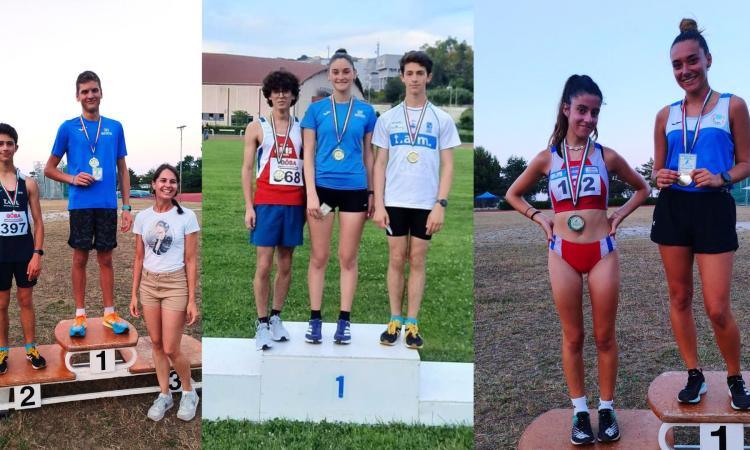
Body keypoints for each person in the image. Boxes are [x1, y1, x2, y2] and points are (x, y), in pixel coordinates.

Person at [505, 75, 649, 445]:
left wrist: (618, 216)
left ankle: (607, 408)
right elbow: (513, 194)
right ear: (566, 109)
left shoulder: (607, 156)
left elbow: (642, 188)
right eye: (582, 110)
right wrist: (540, 217)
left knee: (604, 336)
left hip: (601, 252)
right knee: (573, 336)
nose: (588, 119)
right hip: (563, 253)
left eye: (595, 113)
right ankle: (580, 412)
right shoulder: (546, 159)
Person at [651, 19, 750, 410]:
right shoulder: (664, 115)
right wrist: (660, 175)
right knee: (679, 297)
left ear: (708, 59)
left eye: (692, 61)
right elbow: (658, 173)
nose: (685, 70)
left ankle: (734, 375)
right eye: (677, 65)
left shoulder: (733, 106)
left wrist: (721, 176)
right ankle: (694, 374)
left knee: (717, 306)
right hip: (675, 206)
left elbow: (746, 162)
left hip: (714, 206)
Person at [371, 51, 460, 349]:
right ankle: (394, 320)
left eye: (420, 73)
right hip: (395, 201)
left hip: (425, 203)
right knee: (396, 259)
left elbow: (448, 165)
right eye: (409, 73)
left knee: (417, 260)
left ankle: (412, 323)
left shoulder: (442, 119)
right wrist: (380, 204)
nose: (414, 79)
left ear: (428, 77)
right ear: (402, 77)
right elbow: (379, 163)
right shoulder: (388, 118)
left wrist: (440, 203)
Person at [44, 70, 132, 337]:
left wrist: (126, 207)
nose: (90, 95)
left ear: (101, 93)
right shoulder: (67, 127)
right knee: (79, 258)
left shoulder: (115, 127)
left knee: (106, 259)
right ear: (77, 96)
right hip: (80, 205)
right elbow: (49, 168)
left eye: (94, 90)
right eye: (85, 91)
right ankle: (80, 315)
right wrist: (72, 178)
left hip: (106, 205)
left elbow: (122, 169)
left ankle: (109, 313)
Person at [301, 49, 377, 344]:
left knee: (347, 257)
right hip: (322, 190)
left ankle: (344, 320)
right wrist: (310, 194)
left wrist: (371, 191)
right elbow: (308, 154)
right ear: (329, 75)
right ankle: (315, 319)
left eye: (346, 71)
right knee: (319, 257)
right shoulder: (316, 110)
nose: (341, 76)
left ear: (354, 75)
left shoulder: (366, 112)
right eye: (336, 72)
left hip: (354, 190)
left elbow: (369, 155)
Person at [129, 164, 200, 421]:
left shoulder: (186, 217)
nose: (168, 185)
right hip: (149, 284)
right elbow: (138, 258)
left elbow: (191, 260)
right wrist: (134, 293)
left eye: (172, 181)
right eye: (163, 180)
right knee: (156, 344)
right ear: (154, 184)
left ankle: (189, 391)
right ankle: (164, 394)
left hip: (175, 285)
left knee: (171, 347)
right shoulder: (143, 217)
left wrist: (192, 299)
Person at [242, 70, 303, 351]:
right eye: (276, 90)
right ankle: (262, 322)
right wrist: (248, 206)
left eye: (286, 90)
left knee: (286, 264)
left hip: (293, 203)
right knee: (264, 264)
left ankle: (277, 317)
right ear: (269, 94)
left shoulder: (302, 127)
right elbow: (246, 169)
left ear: (293, 95)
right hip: (266, 204)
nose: (281, 95)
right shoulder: (257, 127)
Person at [0, 123, 46, 373]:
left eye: (9, 143)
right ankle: (2, 352)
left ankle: (30, 348)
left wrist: (36, 254)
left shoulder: (27, 183)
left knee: (26, 300)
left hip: (24, 252)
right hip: (1, 253)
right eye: (0, 143)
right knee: (1, 304)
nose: (4, 148)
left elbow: (38, 222)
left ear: (16, 147)